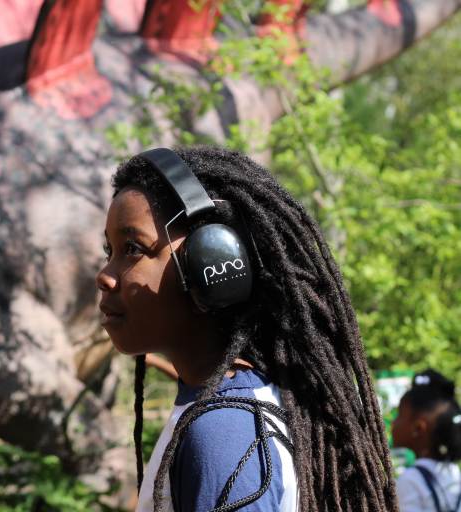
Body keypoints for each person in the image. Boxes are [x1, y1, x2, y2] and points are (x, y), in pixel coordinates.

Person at [96, 146, 396, 511]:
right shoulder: (225, 408)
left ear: (212, 261)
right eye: (109, 251)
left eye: (132, 248)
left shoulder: (223, 433)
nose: (104, 276)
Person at [392, 369, 461, 511]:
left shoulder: (410, 480)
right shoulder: (453, 470)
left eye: (399, 415)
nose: (393, 422)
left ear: (418, 428)